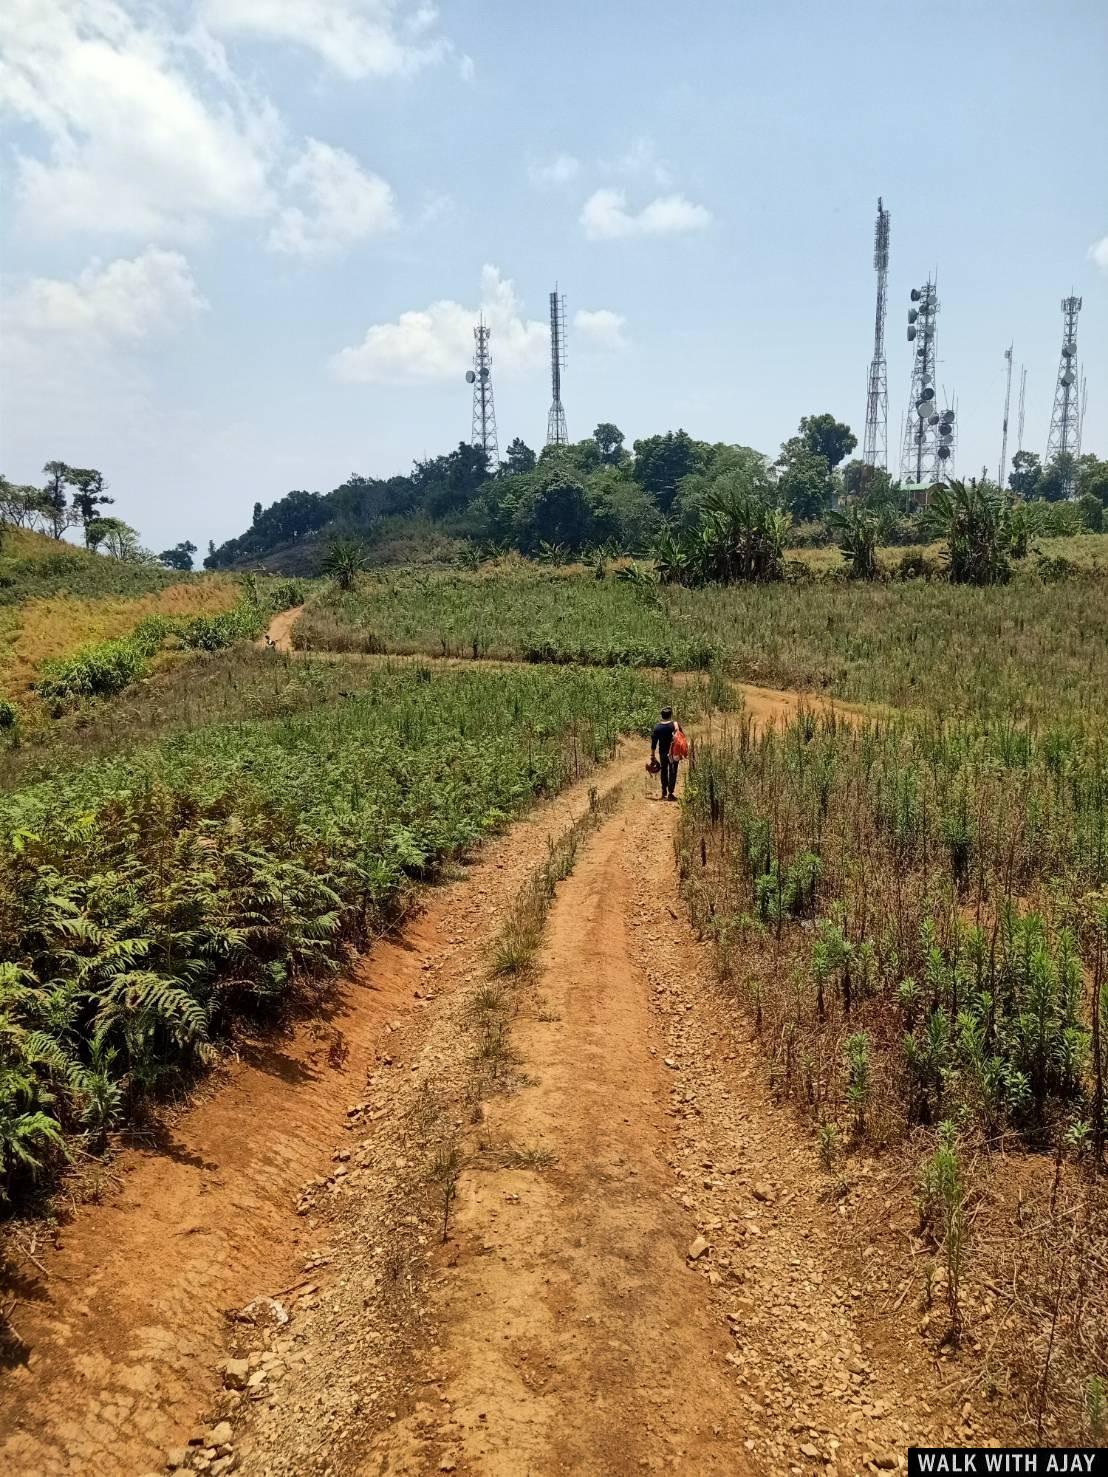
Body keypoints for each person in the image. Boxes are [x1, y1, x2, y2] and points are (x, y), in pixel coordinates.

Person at [650, 706, 682, 801]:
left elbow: (654, 743)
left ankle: (664, 791)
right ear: (670, 715)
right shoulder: (675, 725)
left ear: (661, 715)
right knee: (673, 771)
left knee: (664, 771)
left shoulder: (657, 727)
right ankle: (671, 793)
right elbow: (681, 737)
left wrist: (652, 755)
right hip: (674, 752)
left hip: (663, 753)